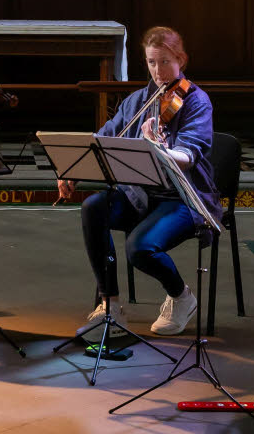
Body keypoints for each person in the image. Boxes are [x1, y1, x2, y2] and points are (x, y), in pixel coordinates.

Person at [58, 26, 221, 343]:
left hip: (183, 199)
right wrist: (73, 169)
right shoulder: (137, 102)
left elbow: (189, 155)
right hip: (141, 196)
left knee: (139, 248)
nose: (158, 72)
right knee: (94, 207)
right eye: (151, 63)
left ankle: (181, 296)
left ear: (181, 59)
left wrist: (157, 148)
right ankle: (111, 305)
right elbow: (103, 139)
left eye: (164, 62)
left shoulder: (197, 102)